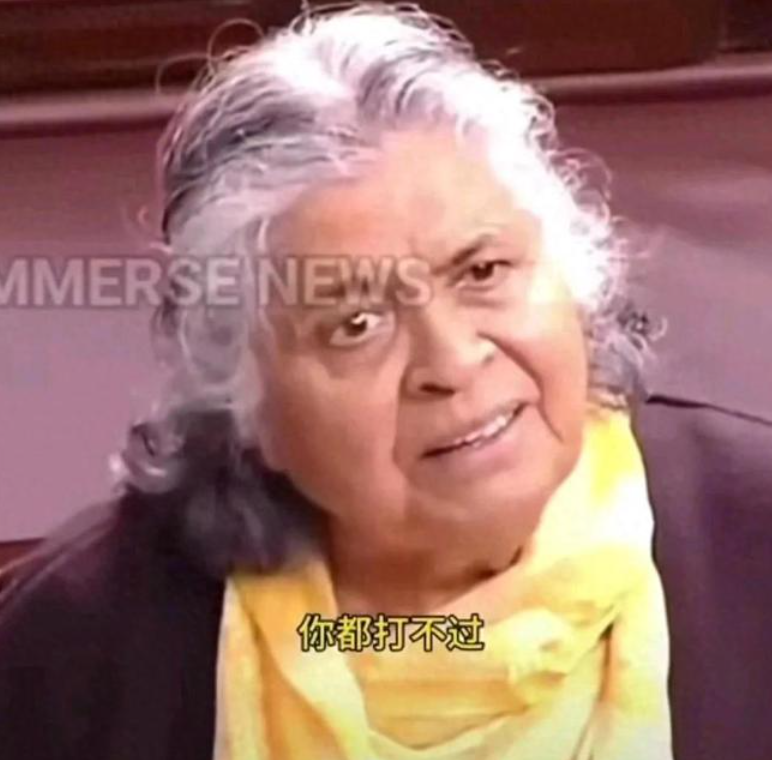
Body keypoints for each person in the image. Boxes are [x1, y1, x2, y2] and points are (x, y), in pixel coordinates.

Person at [0, 4, 672, 759]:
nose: (452, 362)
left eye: (483, 272)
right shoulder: (78, 651)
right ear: (247, 405)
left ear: (573, 278)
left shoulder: (757, 545)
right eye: (355, 324)